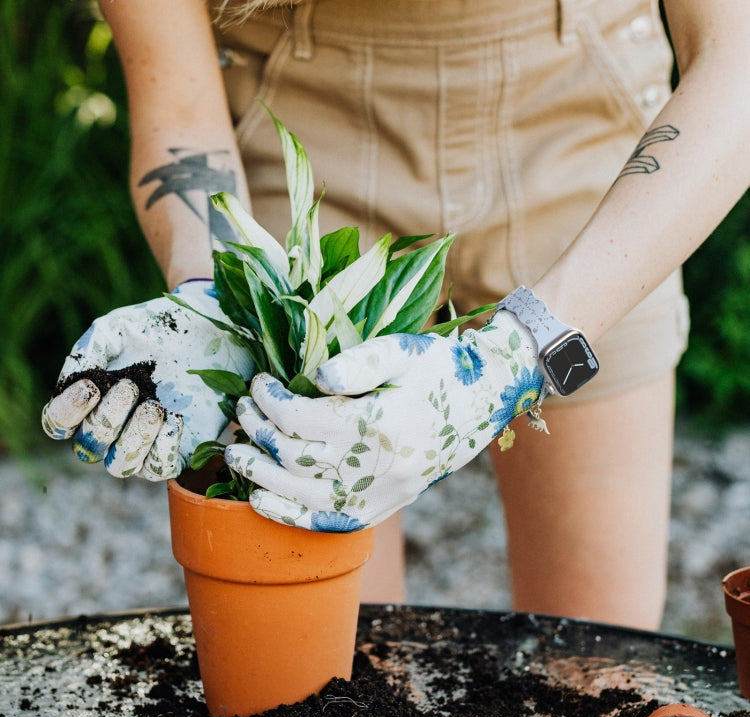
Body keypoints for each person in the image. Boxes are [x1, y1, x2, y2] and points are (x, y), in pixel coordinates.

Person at [43, 0, 749, 630]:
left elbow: (736, 59)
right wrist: (213, 297)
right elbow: (180, 104)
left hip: (586, 133)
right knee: (327, 692)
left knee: (599, 673)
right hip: (304, 149)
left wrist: (516, 354)